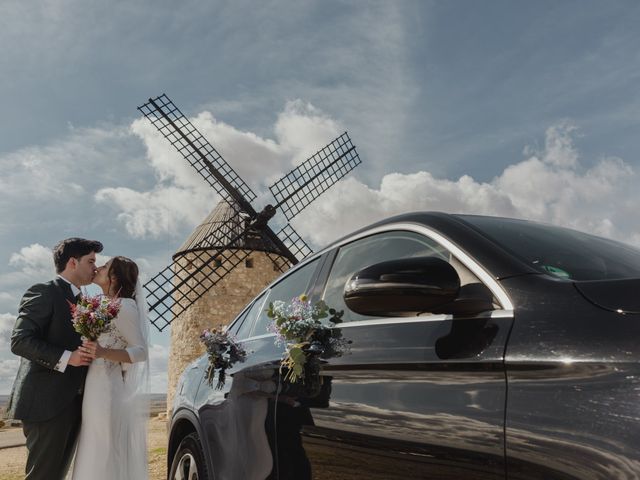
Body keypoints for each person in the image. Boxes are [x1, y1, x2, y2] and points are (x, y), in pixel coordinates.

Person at [7, 237, 103, 480]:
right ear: (73, 262)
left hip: (75, 404)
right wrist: (67, 357)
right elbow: (20, 340)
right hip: (46, 405)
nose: (95, 267)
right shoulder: (44, 292)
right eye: (91, 261)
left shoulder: (86, 302)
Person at [71, 256, 150, 480]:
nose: (98, 267)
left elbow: (141, 351)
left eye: (104, 266)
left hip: (107, 386)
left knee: (104, 447)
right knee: (94, 443)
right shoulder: (102, 305)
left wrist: (103, 353)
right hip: (94, 384)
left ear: (114, 277)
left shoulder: (123, 306)